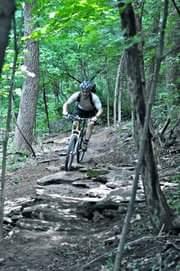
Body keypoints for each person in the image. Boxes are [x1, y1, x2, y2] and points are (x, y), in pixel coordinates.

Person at [63, 80, 103, 150]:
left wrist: (96, 117)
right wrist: (65, 112)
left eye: (87, 91)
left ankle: (85, 142)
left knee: (90, 124)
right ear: (81, 90)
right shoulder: (77, 95)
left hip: (91, 112)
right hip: (80, 110)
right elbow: (66, 104)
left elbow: (100, 109)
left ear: (90, 91)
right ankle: (74, 138)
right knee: (75, 122)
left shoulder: (94, 97)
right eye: (83, 91)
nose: (85, 93)